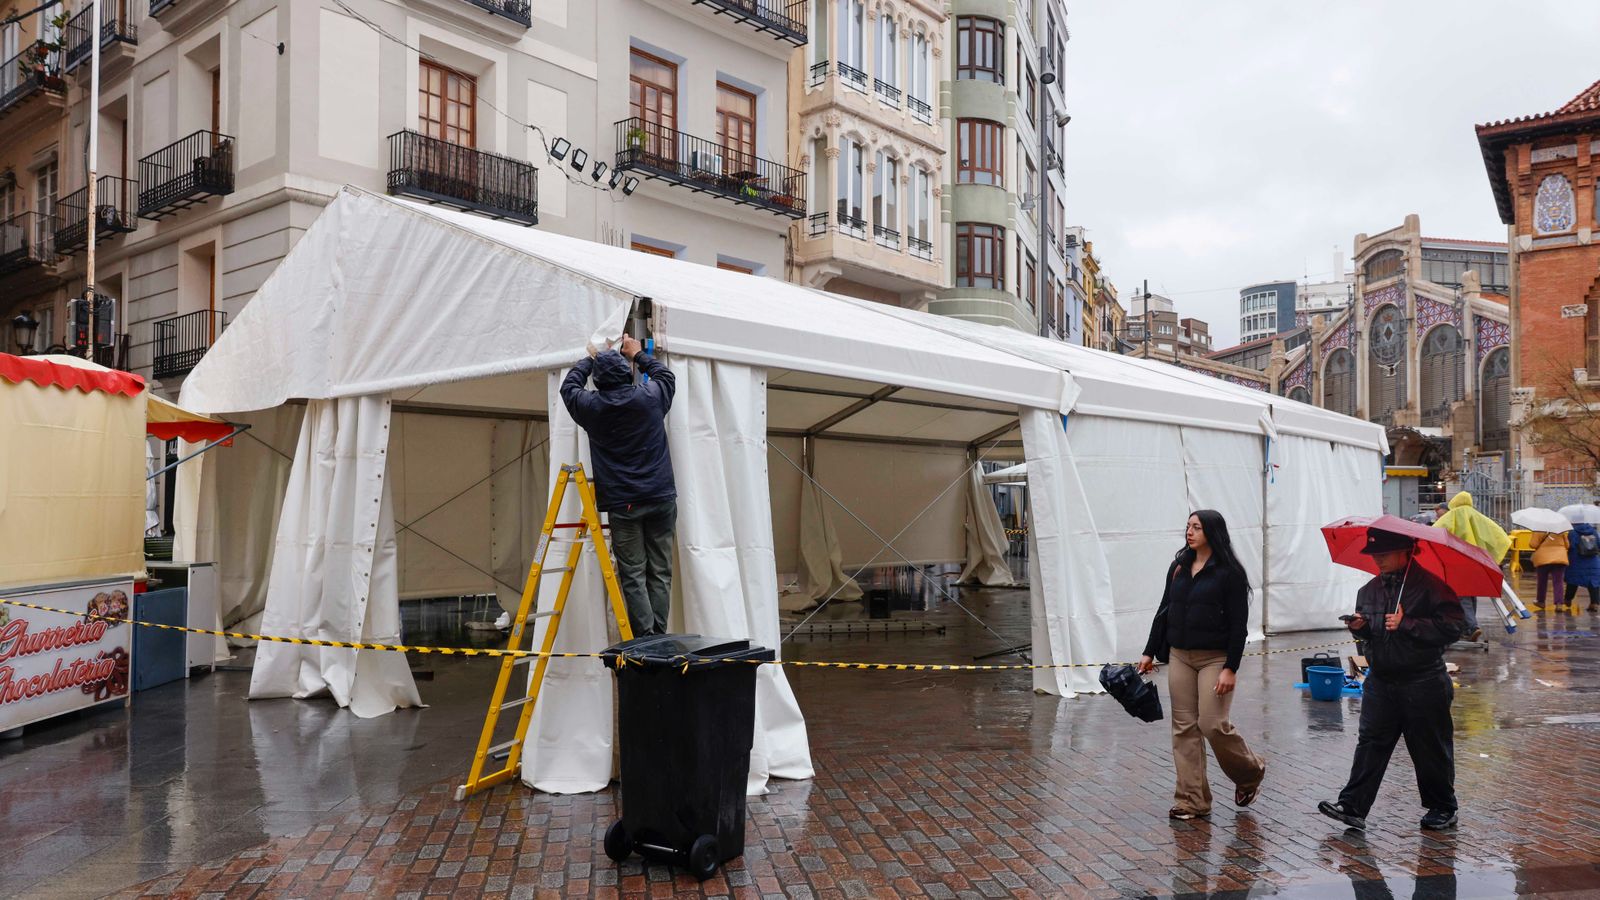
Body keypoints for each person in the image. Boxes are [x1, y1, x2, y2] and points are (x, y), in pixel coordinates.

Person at [1319, 530, 1464, 832]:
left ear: (1407, 552)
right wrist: (1361, 629)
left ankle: (1443, 807)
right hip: (1381, 681)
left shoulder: (1432, 588)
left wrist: (1407, 623)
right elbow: (1370, 637)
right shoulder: (1369, 591)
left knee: (1428, 747)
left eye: (1385, 553)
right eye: (1375, 554)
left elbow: (1454, 627)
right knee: (1371, 743)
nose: (1378, 559)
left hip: (1423, 681)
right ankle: (1353, 805)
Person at [1138, 510, 1266, 821]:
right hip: (1180, 654)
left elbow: (1239, 626)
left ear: (1212, 532)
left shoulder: (1230, 573)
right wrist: (1149, 651)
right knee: (1184, 729)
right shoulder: (1179, 567)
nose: (1190, 532)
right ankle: (1191, 801)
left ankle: (1250, 773)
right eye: (1188, 526)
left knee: (1211, 723)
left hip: (1216, 657)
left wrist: (1230, 668)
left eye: (1196, 527)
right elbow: (1164, 610)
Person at [560, 335, 677, 637]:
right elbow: (665, 375)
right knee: (660, 571)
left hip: (624, 503)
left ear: (597, 382)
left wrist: (590, 358)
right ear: (628, 374)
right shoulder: (650, 398)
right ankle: (659, 635)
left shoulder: (592, 407)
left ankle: (647, 638)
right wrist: (638, 355)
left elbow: (568, 387)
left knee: (633, 573)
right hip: (661, 496)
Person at [1432, 491, 1508, 641]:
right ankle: (1469, 628)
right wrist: (1492, 557)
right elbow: (1499, 536)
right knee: (1471, 594)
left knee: (1461, 595)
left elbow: (1434, 534)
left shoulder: (1451, 517)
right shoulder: (1479, 518)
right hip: (1477, 562)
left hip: (1458, 563)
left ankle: (1471, 627)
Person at [1529, 530, 1569, 610]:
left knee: (1542, 581)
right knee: (1558, 581)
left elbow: (1533, 544)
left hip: (1543, 558)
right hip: (1559, 557)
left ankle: (1541, 601)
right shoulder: (1560, 529)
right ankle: (1559, 603)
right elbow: (1567, 545)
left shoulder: (1538, 529)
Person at [1566, 522, 1600, 612]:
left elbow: (1570, 546)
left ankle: (1568, 599)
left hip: (1576, 560)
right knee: (1594, 582)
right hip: (1593, 561)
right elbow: (1599, 545)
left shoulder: (1572, 533)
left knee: (1573, 580)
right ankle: (1594, 603)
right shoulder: (1594, 531)